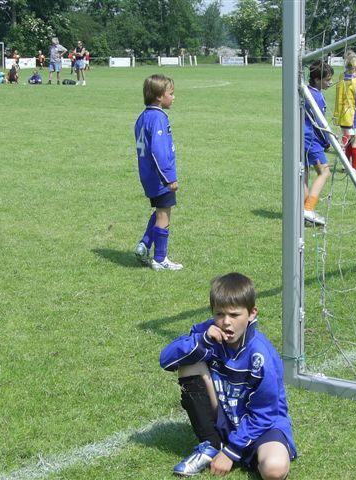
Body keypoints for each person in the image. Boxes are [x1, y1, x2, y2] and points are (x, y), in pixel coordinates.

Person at [160, 272, 297, 479]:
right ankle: (211, 444)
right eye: (219, 314)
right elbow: (166, 359)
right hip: (226, 415)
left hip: (261, 427)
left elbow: (265, 413)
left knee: (274, 469)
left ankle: (242, 450)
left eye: (234, 315)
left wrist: (232, 452)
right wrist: (202, 340)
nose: (226, 322)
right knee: (188, 364)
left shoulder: (261, 355)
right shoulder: (208, 331)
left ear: (251, 314)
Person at [133, 74, 182, 270]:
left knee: (159, 212)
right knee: (164, 216)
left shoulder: (143, 116)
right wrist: (169, 177)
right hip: (160, 176)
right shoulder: (159, 118)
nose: (174, 97)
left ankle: (144, 244)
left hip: (147, 174)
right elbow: (158, 151)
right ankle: (160, 259)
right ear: (159, 97)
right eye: (171, 93)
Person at [303, 60, 333, 226]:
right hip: (312, 138)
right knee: (324, 172)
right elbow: (320, 123)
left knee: (304, 173)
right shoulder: (316, 97)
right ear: (316, 80)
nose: (330, 83)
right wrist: (326, 141)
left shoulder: (304, 90)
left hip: (300, 136)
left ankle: (305, 210)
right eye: (327, 80)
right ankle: (308, 209)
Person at [333, 53, 356, 174]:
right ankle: (354, 167)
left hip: (342, 115)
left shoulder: (340, 79)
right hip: (354, 116)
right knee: (355, 141)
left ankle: (346, 165)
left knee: (347, 140)